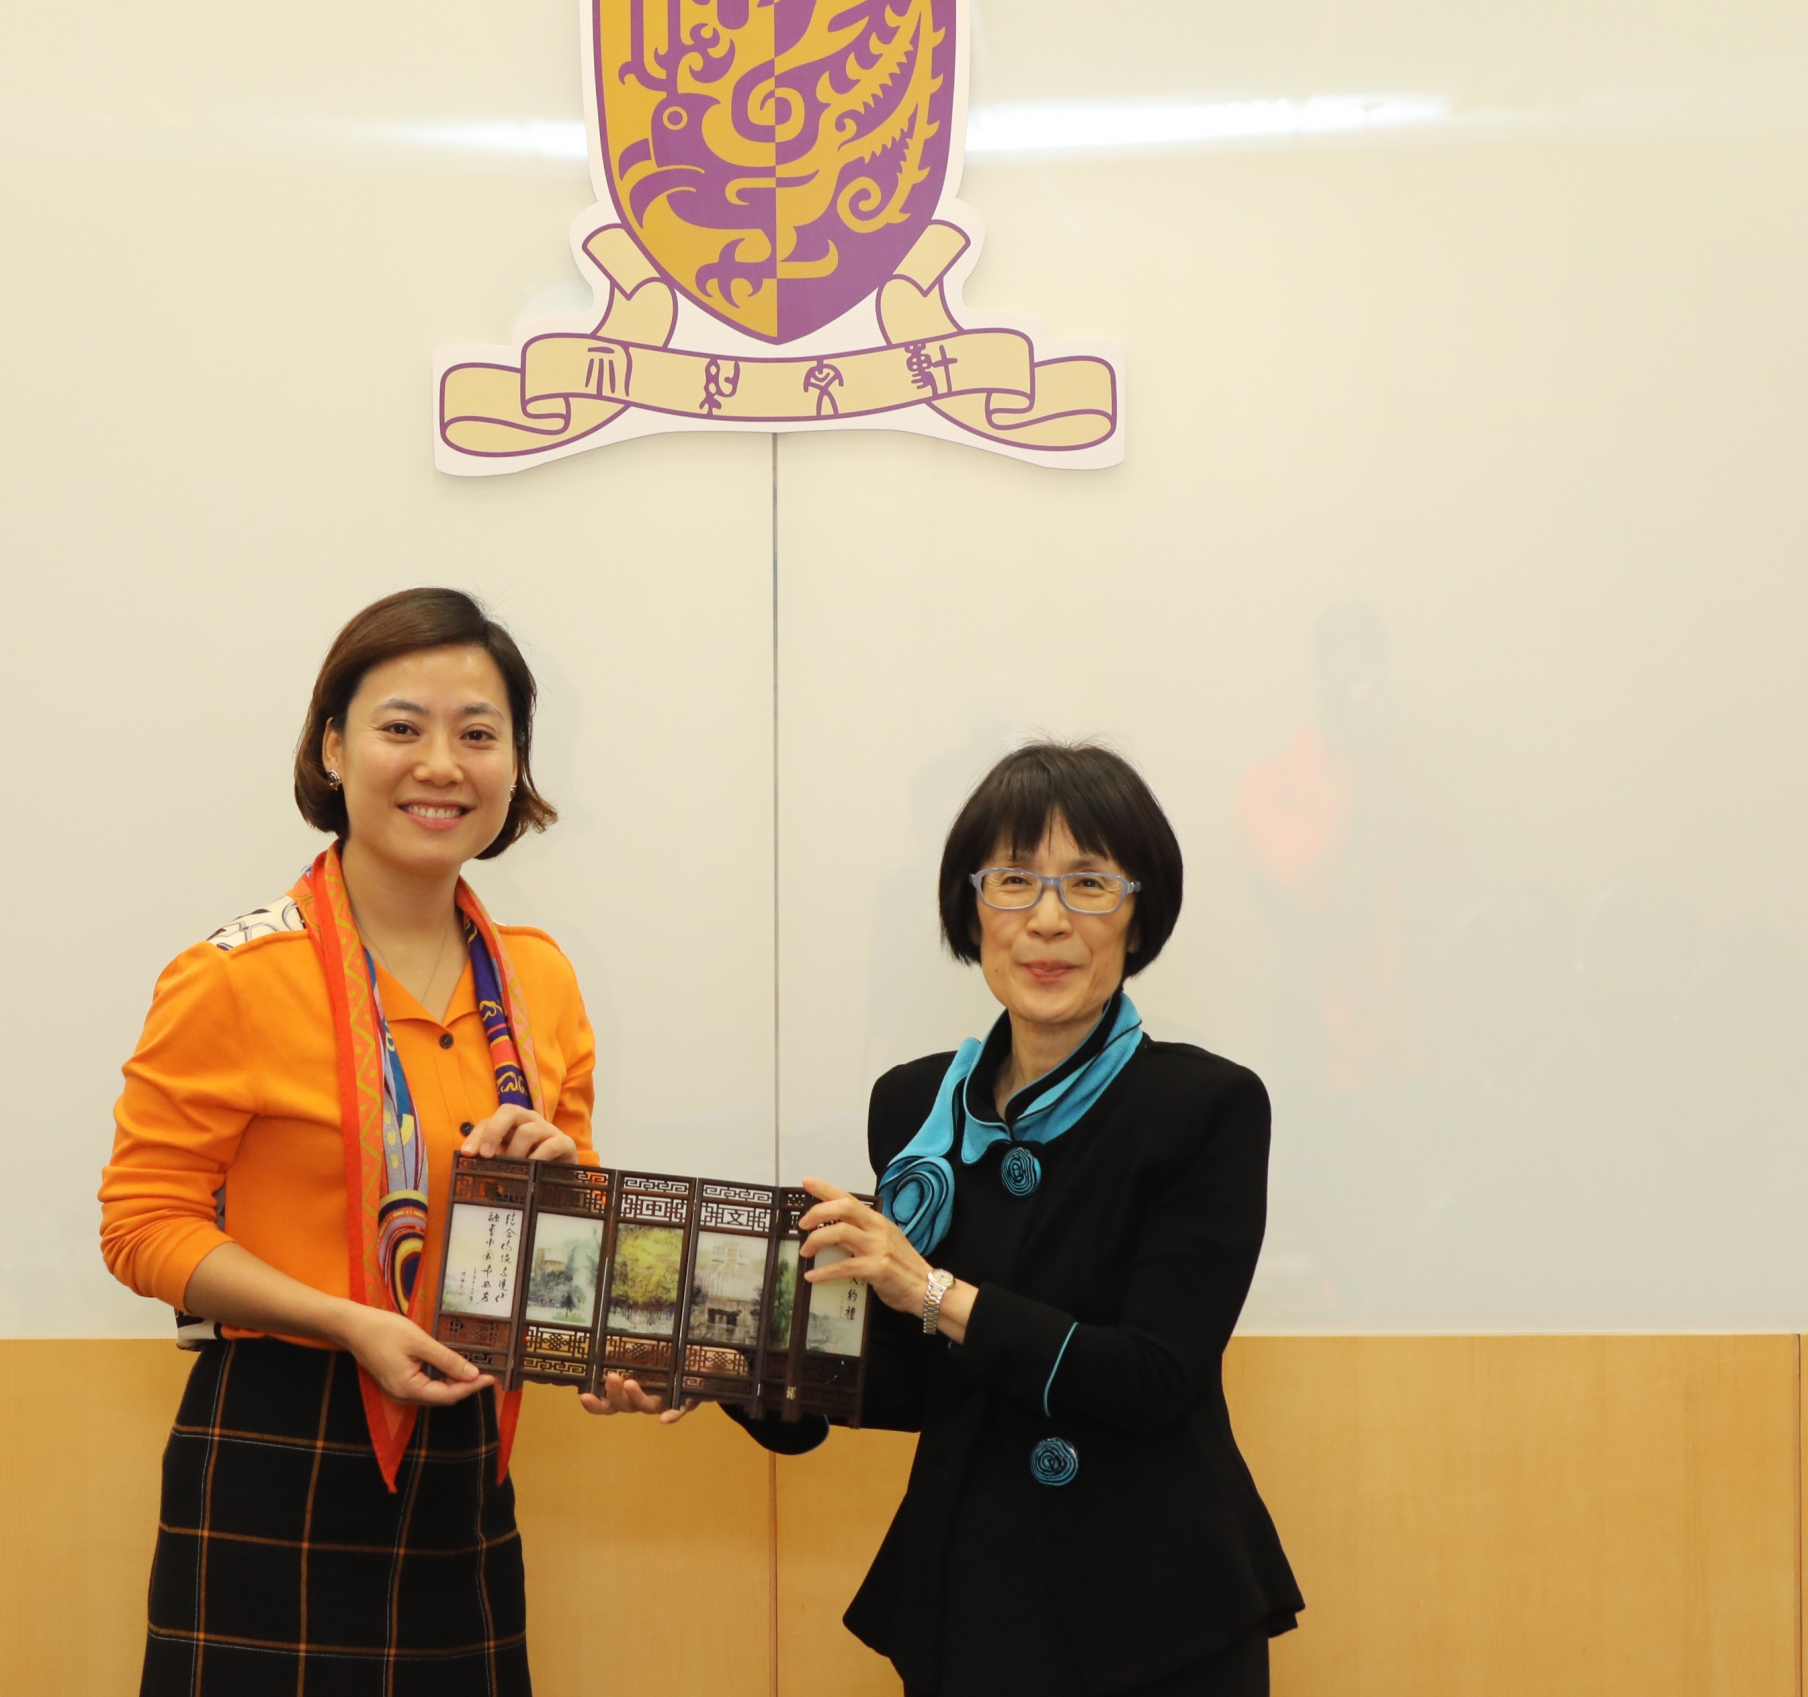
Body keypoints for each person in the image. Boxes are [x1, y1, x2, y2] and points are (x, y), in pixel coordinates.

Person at [98, 586, 653, 1696]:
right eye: (403, 726)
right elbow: (140, 1227)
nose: (442, 763)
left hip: (468, 1458)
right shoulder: (235, 974)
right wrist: (345, 1320)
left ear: (515, 765)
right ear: (333, 748)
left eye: (479, 733)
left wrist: (599, 1288)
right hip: (278, 1442)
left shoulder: (538, 979)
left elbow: (572, 1227)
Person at [735, 740, 1304, 1694]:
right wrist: (734, 1364)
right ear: (972, 907)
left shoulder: (1205, 1106)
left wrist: (929, 1288)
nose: (1047, 919)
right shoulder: (916, 1102)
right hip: (974, 1594)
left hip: (1155, 1611)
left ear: (1140, 910)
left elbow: (1153, 1377)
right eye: (1013, 880)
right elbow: (931, 1383)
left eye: (1088, 882)